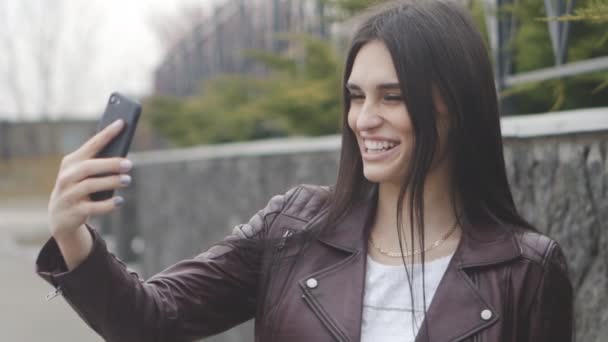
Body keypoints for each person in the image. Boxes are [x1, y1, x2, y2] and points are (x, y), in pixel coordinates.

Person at [36, 0, 573, 341]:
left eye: (393, 97)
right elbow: (149, 321)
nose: (364, 119)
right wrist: (72, 233)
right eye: (356, 96)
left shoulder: (525, 270)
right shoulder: (292, 229)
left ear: (456, 106)